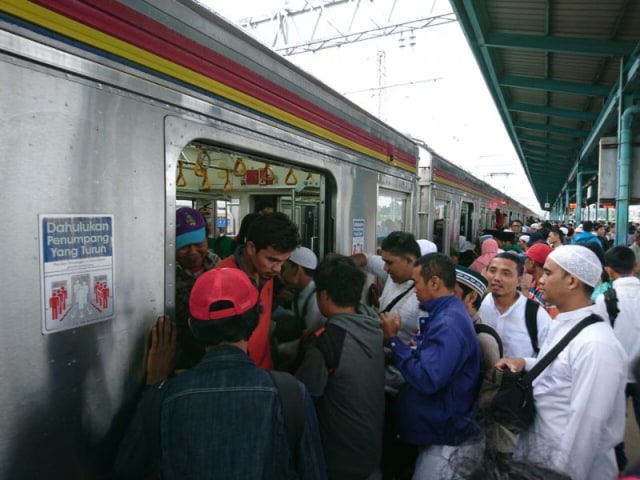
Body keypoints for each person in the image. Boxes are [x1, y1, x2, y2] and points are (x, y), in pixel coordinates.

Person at [115, 269, 326, 479]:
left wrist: (154, 384)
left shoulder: (163, 398)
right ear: (254, 321)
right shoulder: (291, 394)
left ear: (192, 327)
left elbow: (127, 468)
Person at [496, 245, 627, 480]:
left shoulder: (596, 344)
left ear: (572, 281)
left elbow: (585, 432)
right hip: (540, 460)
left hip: (567, 470)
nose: (540, 279)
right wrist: (525, 363)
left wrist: (559, 475)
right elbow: (560, 372)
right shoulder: (564, 322)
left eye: (548, 272)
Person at [380, 253, 482, 479]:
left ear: (434, 282)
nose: (414, 290)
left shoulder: (448, 323)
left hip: (442, 441)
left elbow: (428, 378)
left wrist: (394, 342)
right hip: (435, 430)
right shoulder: (444, 314)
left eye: (416, 283)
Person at [295, 257, 385, 480]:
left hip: (338, 458)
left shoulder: (327, 342)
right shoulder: (374, 326)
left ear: (323, 296)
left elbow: (304, 395)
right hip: (371, 449)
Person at [216, 212, 300, 370]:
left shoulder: (266, 274)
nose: (277, 269)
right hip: (240, 376)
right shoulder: (222, 280)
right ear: (251, 248)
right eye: (272, 260)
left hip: (265, 368)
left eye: (283, 262)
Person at [594, 246, 640, 472]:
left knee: (614, 423)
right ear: (636, 267)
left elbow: (600, 336)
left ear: (608, 271)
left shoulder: (605, 299)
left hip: (616, 373)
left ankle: (619, 464)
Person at [479, 253, 551, 358]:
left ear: (519, 280)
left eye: (506, 273)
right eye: (492, 271)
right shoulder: (477, 305)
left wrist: (524, 364)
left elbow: (549, 360)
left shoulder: (536, 315)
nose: (496, 278)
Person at [174, 206, 220, 369]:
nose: (193, 251)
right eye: (184, 246)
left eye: (198, 243)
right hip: (181, 350)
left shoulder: (218, 265)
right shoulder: (166, 276)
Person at [276, 246, 326, 369]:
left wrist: (279, 349)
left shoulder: (315, 301)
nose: (279, 273)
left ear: (297, 270)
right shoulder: (300, 293)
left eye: (284, 269)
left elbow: (310, 343)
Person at [524, 243, 558, 318]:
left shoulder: (549, 293)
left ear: (532, 262)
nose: (524, 262)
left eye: (526, 258)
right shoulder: (534, 282)